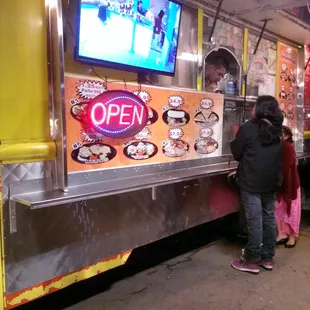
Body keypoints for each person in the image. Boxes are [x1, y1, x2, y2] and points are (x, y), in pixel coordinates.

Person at [230, 95, 283, 274]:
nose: (252, 108)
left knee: (254, 219)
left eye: (254, 105)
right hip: (271, 181)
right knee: (268, 217)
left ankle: (251, 258)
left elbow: (237, 153)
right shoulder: (278, 130)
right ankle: (267, 257)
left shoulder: (248, 128)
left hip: (252, 181)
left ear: (260, 109)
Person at [275, 126, 301, 248]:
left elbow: (285, 167)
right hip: (282, 185)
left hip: (290, 185)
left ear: (285, 136)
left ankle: (292, 237)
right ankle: (282, 234)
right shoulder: (281, 146)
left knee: (291, 211)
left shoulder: (287, 147)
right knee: (280, 210)